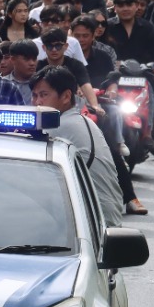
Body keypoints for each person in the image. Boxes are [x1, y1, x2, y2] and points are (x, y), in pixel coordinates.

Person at [31, 66, 122, 226]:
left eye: (44, 95)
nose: (37, 102)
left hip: (92, 224)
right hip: (105, 218)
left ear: (66, 96)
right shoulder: (82, 120)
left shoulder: (56, 126)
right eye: (34, 95)